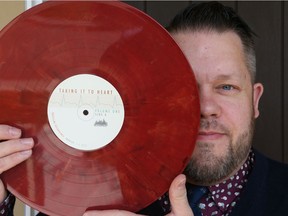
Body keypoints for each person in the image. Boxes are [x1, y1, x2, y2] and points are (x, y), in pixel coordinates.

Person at [1, 1, 288, 216]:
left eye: (226, 87)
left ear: (254, 100)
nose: (205, 108)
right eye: (183, 88)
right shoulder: (88, 201)